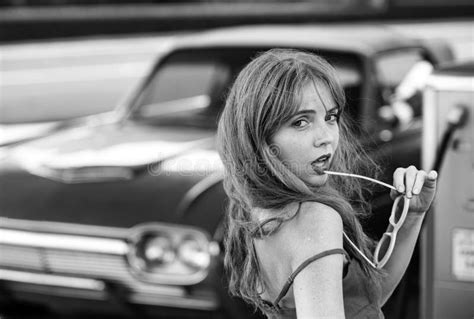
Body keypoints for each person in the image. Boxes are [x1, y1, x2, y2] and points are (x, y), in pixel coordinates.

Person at [216, 48, 437, 319]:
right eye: (300, 122)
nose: (326, 137)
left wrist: (412, 215)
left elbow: (366, 301)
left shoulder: (253, 211)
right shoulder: (314, 219)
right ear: (261, 139)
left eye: (330, 117)